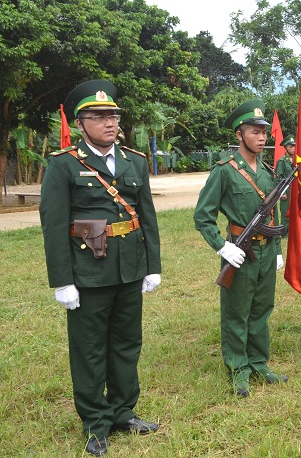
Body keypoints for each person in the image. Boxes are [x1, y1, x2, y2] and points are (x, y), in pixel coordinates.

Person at [40, 80, 162, 456]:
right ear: (81, 123)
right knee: (90, 349)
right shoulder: (64, 165)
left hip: (129, 269)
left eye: (113, 115)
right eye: (99, 116)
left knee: (127, 344)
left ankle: (124, 410)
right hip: (88, 273)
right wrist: (63, 281)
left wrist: (152, 266)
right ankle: (96, 422)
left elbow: (147, 217)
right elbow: (54, 224)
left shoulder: (134, 162)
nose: (109, 123)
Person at [194, 99, 287, 398]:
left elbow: (274, 214)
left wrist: (277, 249)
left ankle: (259, 362)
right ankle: (238, 369)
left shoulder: (269, 171)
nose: (262, 137)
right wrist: (222, 247)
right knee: (237, 313)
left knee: (262, 308)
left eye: (264, 132)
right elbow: (203, 216)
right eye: (254, 131)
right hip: (240, 250)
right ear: (239, 134)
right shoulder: (224, 171)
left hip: (265, 248)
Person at [275, 135, 296, 230]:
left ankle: (292, 230)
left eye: (294, 146)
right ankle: (284, 231)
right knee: (285, 211)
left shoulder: (296, 160)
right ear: (286, 147)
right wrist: (281, 192)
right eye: (290, 146)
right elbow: (278, 178)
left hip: (295, 188)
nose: (293, 148)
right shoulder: (282, 161)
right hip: (286, 189)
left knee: (295, 210)